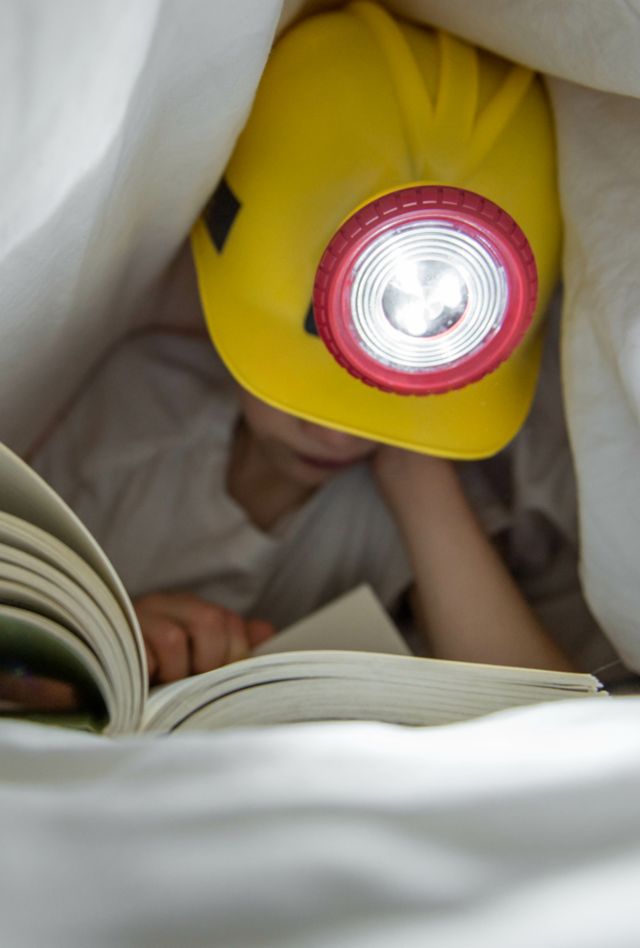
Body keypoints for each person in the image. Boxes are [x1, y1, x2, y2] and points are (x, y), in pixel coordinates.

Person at [9, 2, 621, 709]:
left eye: (381, 383)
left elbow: (550, 732)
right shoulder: (130, 408)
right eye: (309, 386)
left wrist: (415, 467)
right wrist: (104, 654)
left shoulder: (424, 496)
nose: (338, 431)